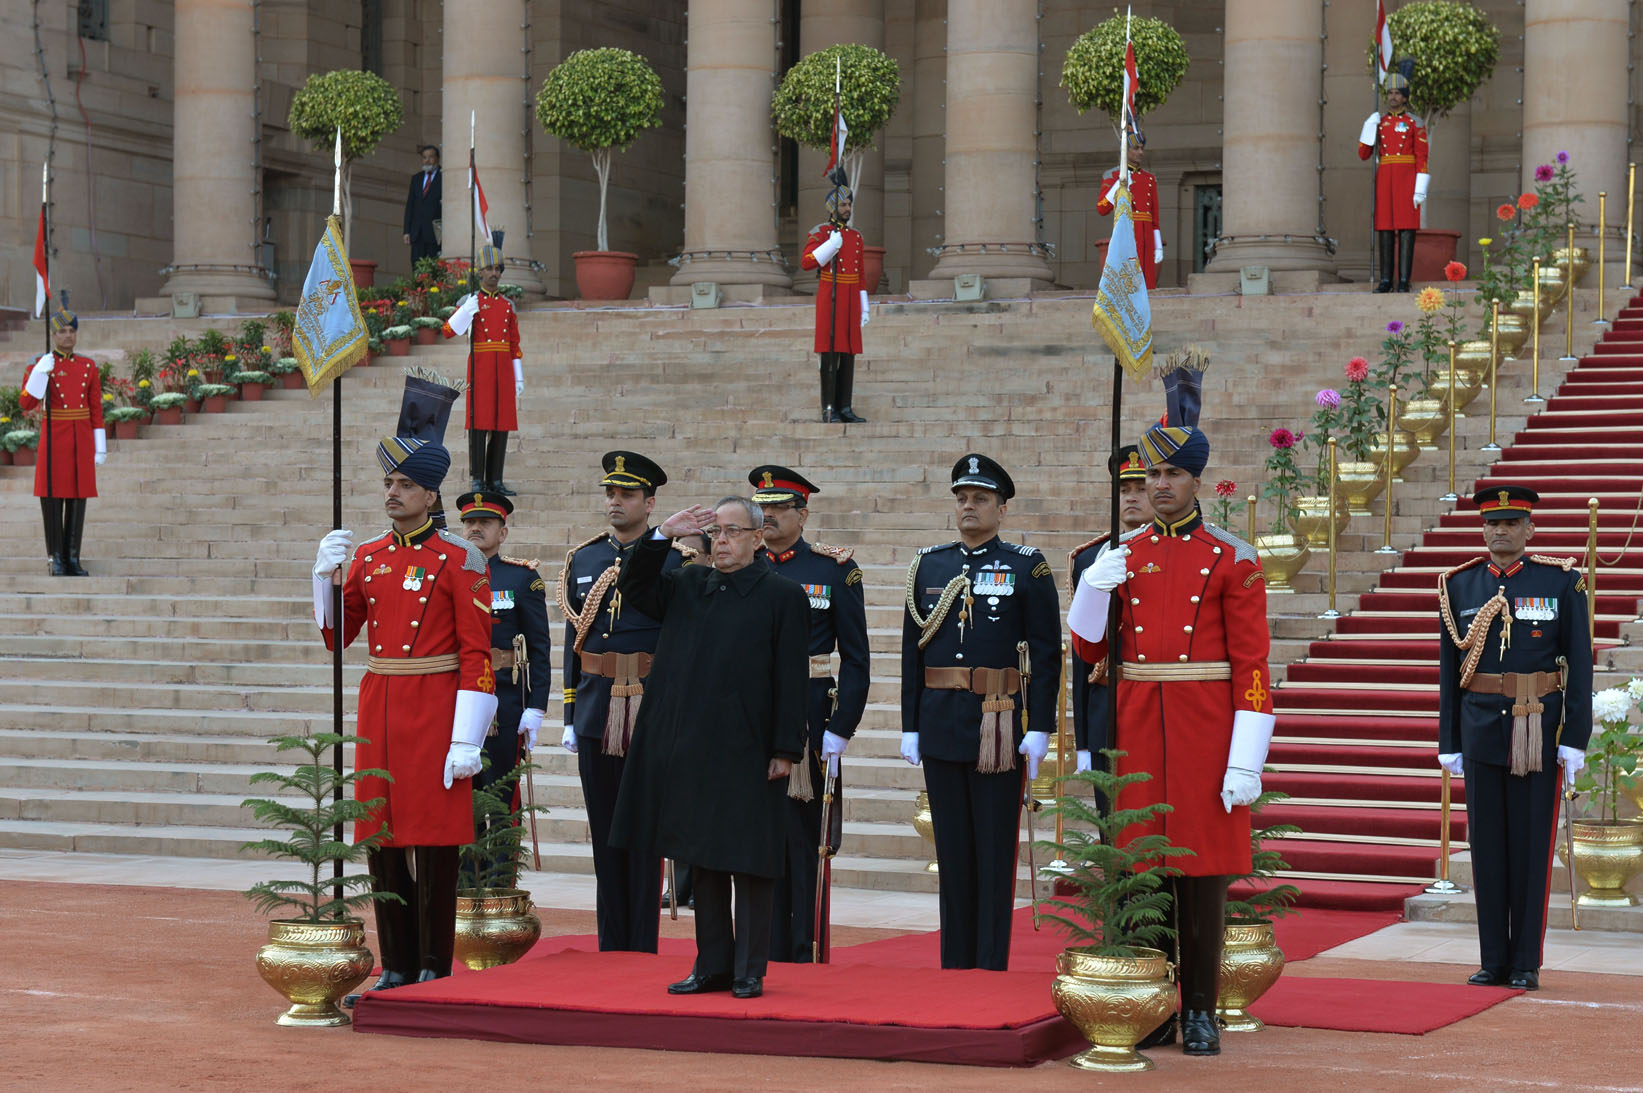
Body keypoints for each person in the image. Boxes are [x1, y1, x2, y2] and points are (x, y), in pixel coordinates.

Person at [1066, 413, 1275, 1058]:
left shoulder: (1231, 556)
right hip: (1137, 722)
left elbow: (1253, 666)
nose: (1159, 485)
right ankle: (1152, 1002)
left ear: (1196, 480)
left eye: (1171, 474)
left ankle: (1203, 1009)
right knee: (1143, 868)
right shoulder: (1122, 555)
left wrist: (1246, 759)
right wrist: (1092, 593)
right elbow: (1089, 648)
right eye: (1152, 474)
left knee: (1202, 872)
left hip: (1206, 728)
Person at [312, 431, 497, 1002]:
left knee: (435, 839)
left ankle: (433, 965)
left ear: (431, 493)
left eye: (405, 485)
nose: (393, 493)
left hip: (437, 707)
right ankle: (394, 963)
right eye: (388, 483)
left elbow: (477, 653)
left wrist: (467, 739)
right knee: (381, 835)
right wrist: (323, 577)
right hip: (381, 705)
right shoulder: (366, 557)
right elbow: (339, 637)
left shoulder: (458, 557)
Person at [608, 497, 810, 1000]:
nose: (721, 541)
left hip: (751, 746)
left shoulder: (781, 595)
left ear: (757, 538)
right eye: (715, 532)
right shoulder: (686, 584)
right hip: (691, 746)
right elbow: (633, 587)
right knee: (704, 859)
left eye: (733, 532)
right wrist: (662, 536)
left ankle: (749, 969)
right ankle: (712, 964)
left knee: (752, 861)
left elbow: (792, 677)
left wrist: (786, 747)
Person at [899, 454, 1061, 971]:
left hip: (998, 719)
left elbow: (1046, 650)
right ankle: (955, 960)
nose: (969, 507)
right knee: (953, 848)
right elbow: (911, 651)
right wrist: (909, 724)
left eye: (981, 499)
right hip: (941, 717)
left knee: (993, 849)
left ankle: (990, 961)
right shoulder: (929, 564)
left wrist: (1040, 727)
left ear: (1002, 508)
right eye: (962, 498)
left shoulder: (1025, 565)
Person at [1437, 485, 1591, 992]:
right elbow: (1448, 671)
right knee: (1487, 847)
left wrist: (1575, 736)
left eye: (1510, 523)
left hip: (1538, 729)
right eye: (1491, 523)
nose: (1499, 531)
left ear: (1530, 530)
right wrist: (1450, 738)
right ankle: (1493, 959)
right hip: (1481, 729)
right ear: (1482, 528)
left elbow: (1581, 664)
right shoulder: (1459, 586)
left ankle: (1525, 961)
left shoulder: (1561, 582)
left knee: (1530, 847)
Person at [557, 451, 695, 952]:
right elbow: (574, 642)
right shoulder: (584, 558)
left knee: (643, 832)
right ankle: (610, 942)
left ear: (650, 502)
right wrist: (571, 713)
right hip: (597, 706)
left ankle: (641, 944)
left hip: (651, 705)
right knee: (605, 831)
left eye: (627, 494)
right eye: (610, 493)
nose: (616, 501)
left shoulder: (678, 559)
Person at [748, 464, 870, 962]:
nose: (769, 515)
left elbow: (858, 658)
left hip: (808, 717)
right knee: (756, 837)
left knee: (803, 840)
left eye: (779, 508)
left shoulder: (831, 570)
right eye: (763, 507)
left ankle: (802, 946)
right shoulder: (742, 564)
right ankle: (757, 946)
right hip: (751, 717)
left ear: (803, 512)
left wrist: (841, 728)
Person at [456, 489, 551, 883]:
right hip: (460, 702)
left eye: (486, 523)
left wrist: (537, 705)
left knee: (501, 797)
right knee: (462, 797)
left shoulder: (521, 577)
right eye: (469, 522)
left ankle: (499, 886)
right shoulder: (451, 571)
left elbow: (540, 647)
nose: (476, 528)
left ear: (503, 532)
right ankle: (464, 883)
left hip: (505, 702)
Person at [1068, 444, 1154, 792]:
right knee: (1110, 825)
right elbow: (1080, 656)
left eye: (1139, 488)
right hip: (1106, 704)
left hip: (1155, 699)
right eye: (1123, 489)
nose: (1131, 498)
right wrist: (1084, 742)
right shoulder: (1089, 559)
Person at [20, 297, 104, 577]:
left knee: (79, 498)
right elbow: (26, 403)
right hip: (54, 438)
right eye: (62, 331)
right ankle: (55, 557)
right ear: (53, 335)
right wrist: (39, 375)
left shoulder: (88, 367)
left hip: (80, 438)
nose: (68, 335)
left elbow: (95, 407)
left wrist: (99, 445)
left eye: (72, 330)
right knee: (53, 497)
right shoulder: (41, 364)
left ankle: (72, 557)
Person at [443, 232, 522, 495]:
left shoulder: (508, 306)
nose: (494, 274)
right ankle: (478, 477)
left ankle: (495, 479)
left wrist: (518, 376)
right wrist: (467, 310)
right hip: (481, 368)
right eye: (489, 268)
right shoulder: (470, 302)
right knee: (479, 423)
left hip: (503, 371)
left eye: (497, 269)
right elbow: (448, 331)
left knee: (502, 425)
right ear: (479, 272)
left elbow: (514, 344)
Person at [800, 175, 869, 424]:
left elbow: (860, 274)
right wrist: (829, 246)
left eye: (849, 204)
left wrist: (864, 305)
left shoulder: (856, 236)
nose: (847, 209)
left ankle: (845, 406)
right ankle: (829, 408)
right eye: (843, 205)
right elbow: (807, 262)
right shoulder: (822, 232)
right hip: (831, 295)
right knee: (830, 353)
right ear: (832, 207)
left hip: (850, 296)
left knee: (849, 352)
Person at [1357, 65, 1429, 293]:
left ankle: (1404, 279)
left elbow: (1422, 157)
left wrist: (1420, 187)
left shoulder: (1414, 123)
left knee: (1407, 228)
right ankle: (1386, 279)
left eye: (1397, 93)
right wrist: (1368, 128)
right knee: (1385, 228)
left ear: (1405, 97)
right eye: (1389, 93)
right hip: (1385, 178)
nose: (1392, 97)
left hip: (1407, 178)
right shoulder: (1380, 122)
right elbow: (1363, 154)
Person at [1095, 131, 1164, 289]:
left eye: (1142, 148)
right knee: (1128, 282)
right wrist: (1119, 185)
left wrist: (1158, 244)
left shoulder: (1149, 178)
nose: (1141, 152)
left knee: (1147, 283)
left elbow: (1155, 216)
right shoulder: (1112, 175)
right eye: (1136, 148)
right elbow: (1102, 208)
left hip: (1147, 234)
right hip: (1127, 230)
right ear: (1125, 150)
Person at [403, 144, 442, 268]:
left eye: (431, 157)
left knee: (433, 268)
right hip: (417, 233)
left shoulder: (444, 177)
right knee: (416, 266)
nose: (427, 160)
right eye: (425, 157)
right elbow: (410, 205)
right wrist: (406, 231)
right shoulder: (416, 179)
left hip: (434, 234)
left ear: (437, 158)